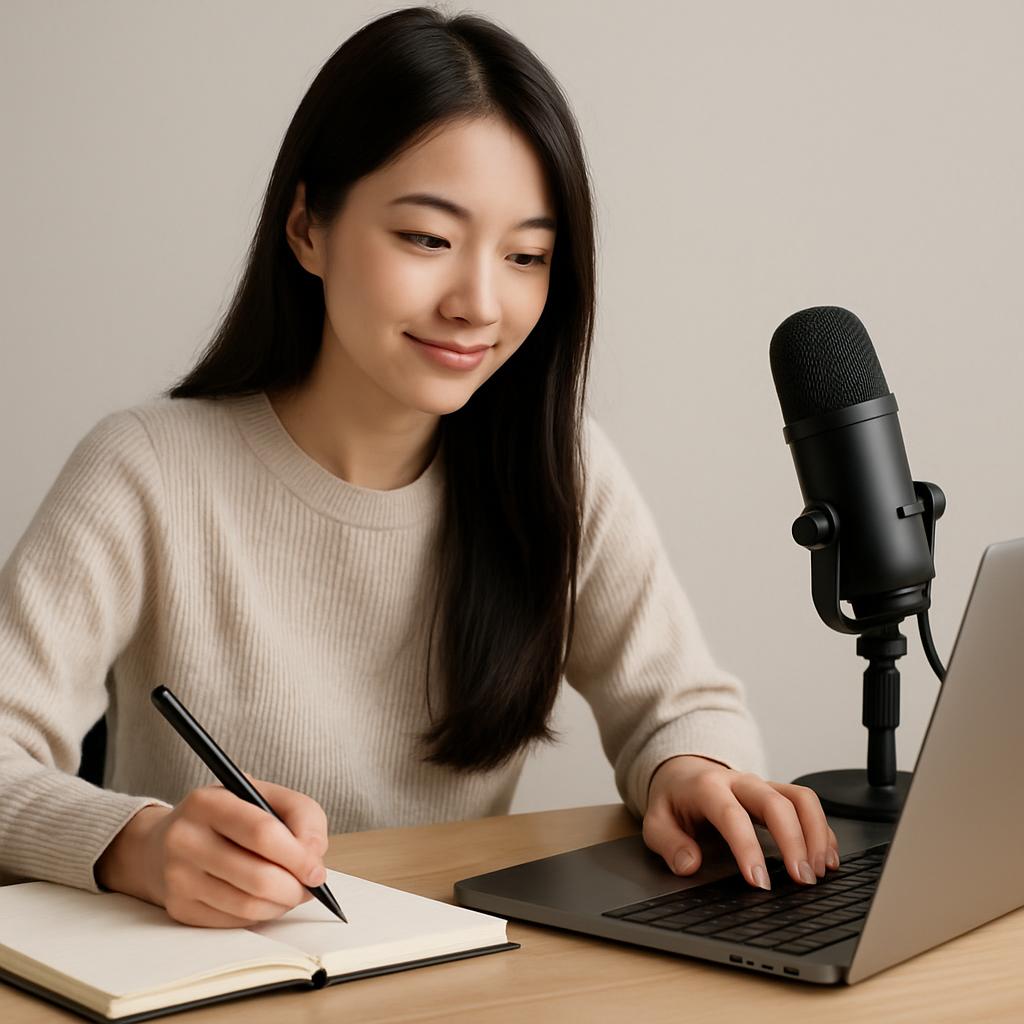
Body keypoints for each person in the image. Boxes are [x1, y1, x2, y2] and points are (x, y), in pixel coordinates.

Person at [0, 6, 839, 929]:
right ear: (307, 228)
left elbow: (679, 703)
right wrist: (140, 846)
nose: (479, 302)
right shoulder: (147, 471)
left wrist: (694, 770)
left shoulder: (560, 469)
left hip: (460, 971)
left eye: (526, 255)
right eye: (427, 239)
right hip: (214, 975)